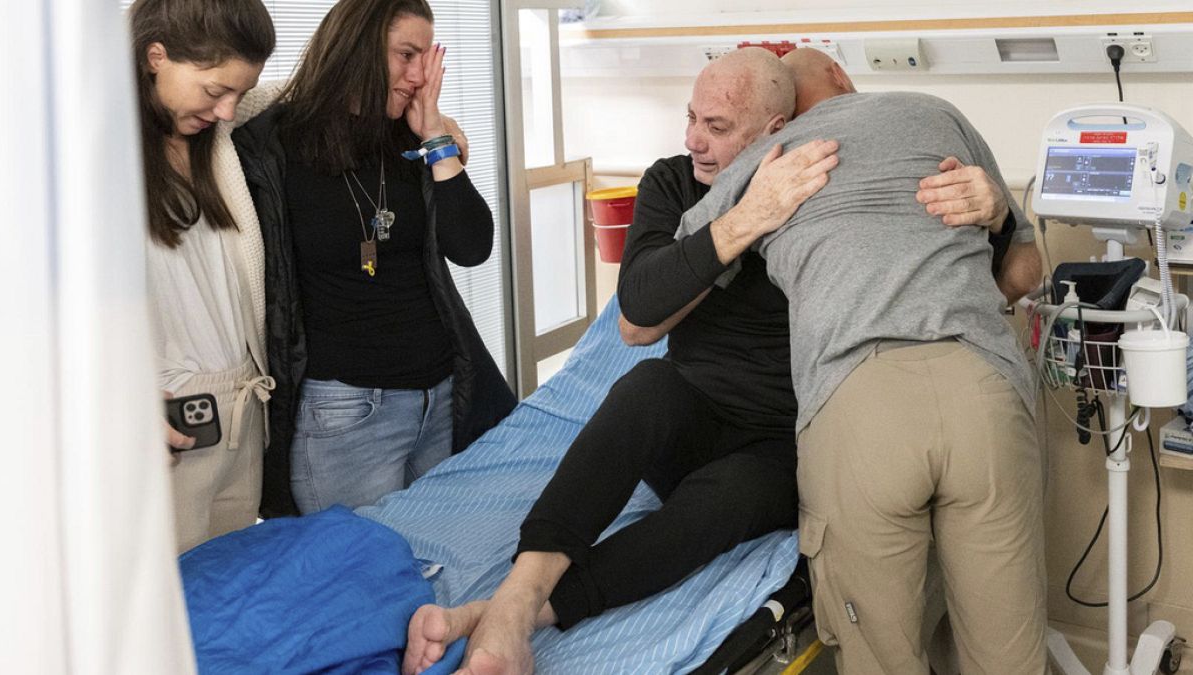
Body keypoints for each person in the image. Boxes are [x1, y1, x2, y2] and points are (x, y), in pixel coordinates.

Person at [401, 48, 1022, 675]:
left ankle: (518, 615)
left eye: (718, 128)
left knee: (732, 495)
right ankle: (519, 592)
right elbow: (636, 318)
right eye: (691, 117)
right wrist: (750, 214)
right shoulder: (673, 182)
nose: (695, 140)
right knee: (642, 390)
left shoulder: (824, 180)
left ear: (779, 132)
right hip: (694, 408)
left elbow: (974, 277)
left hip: (783, 439)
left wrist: (995, 211)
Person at [677, 47, 1047, 673]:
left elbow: (660, 290)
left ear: (777, 117)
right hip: (983, 392)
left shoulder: (770, 161)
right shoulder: (938, 114)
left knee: (880, 656)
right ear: (845, 80)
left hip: (858, 403)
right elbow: (1026, 272)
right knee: (1008, 656)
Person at [234, 0, 516, 518]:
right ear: (358, 45)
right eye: (405, 55)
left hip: (440, 398)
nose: (416, 76)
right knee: (360, 581)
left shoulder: (414, 141)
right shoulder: (269, 146)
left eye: (425, 59)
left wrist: (436, 138)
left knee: (440, 573)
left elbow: (472, 248)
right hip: (344, 415)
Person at [132, 0, 276, 552]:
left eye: (239, 94)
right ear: (156, 56)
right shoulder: (94, 156)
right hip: (163, 426)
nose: (227, 111)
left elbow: (311, 86)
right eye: (216, 91)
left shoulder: (216, 141)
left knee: (229, 601)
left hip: (242, 414)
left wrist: (435, 131)